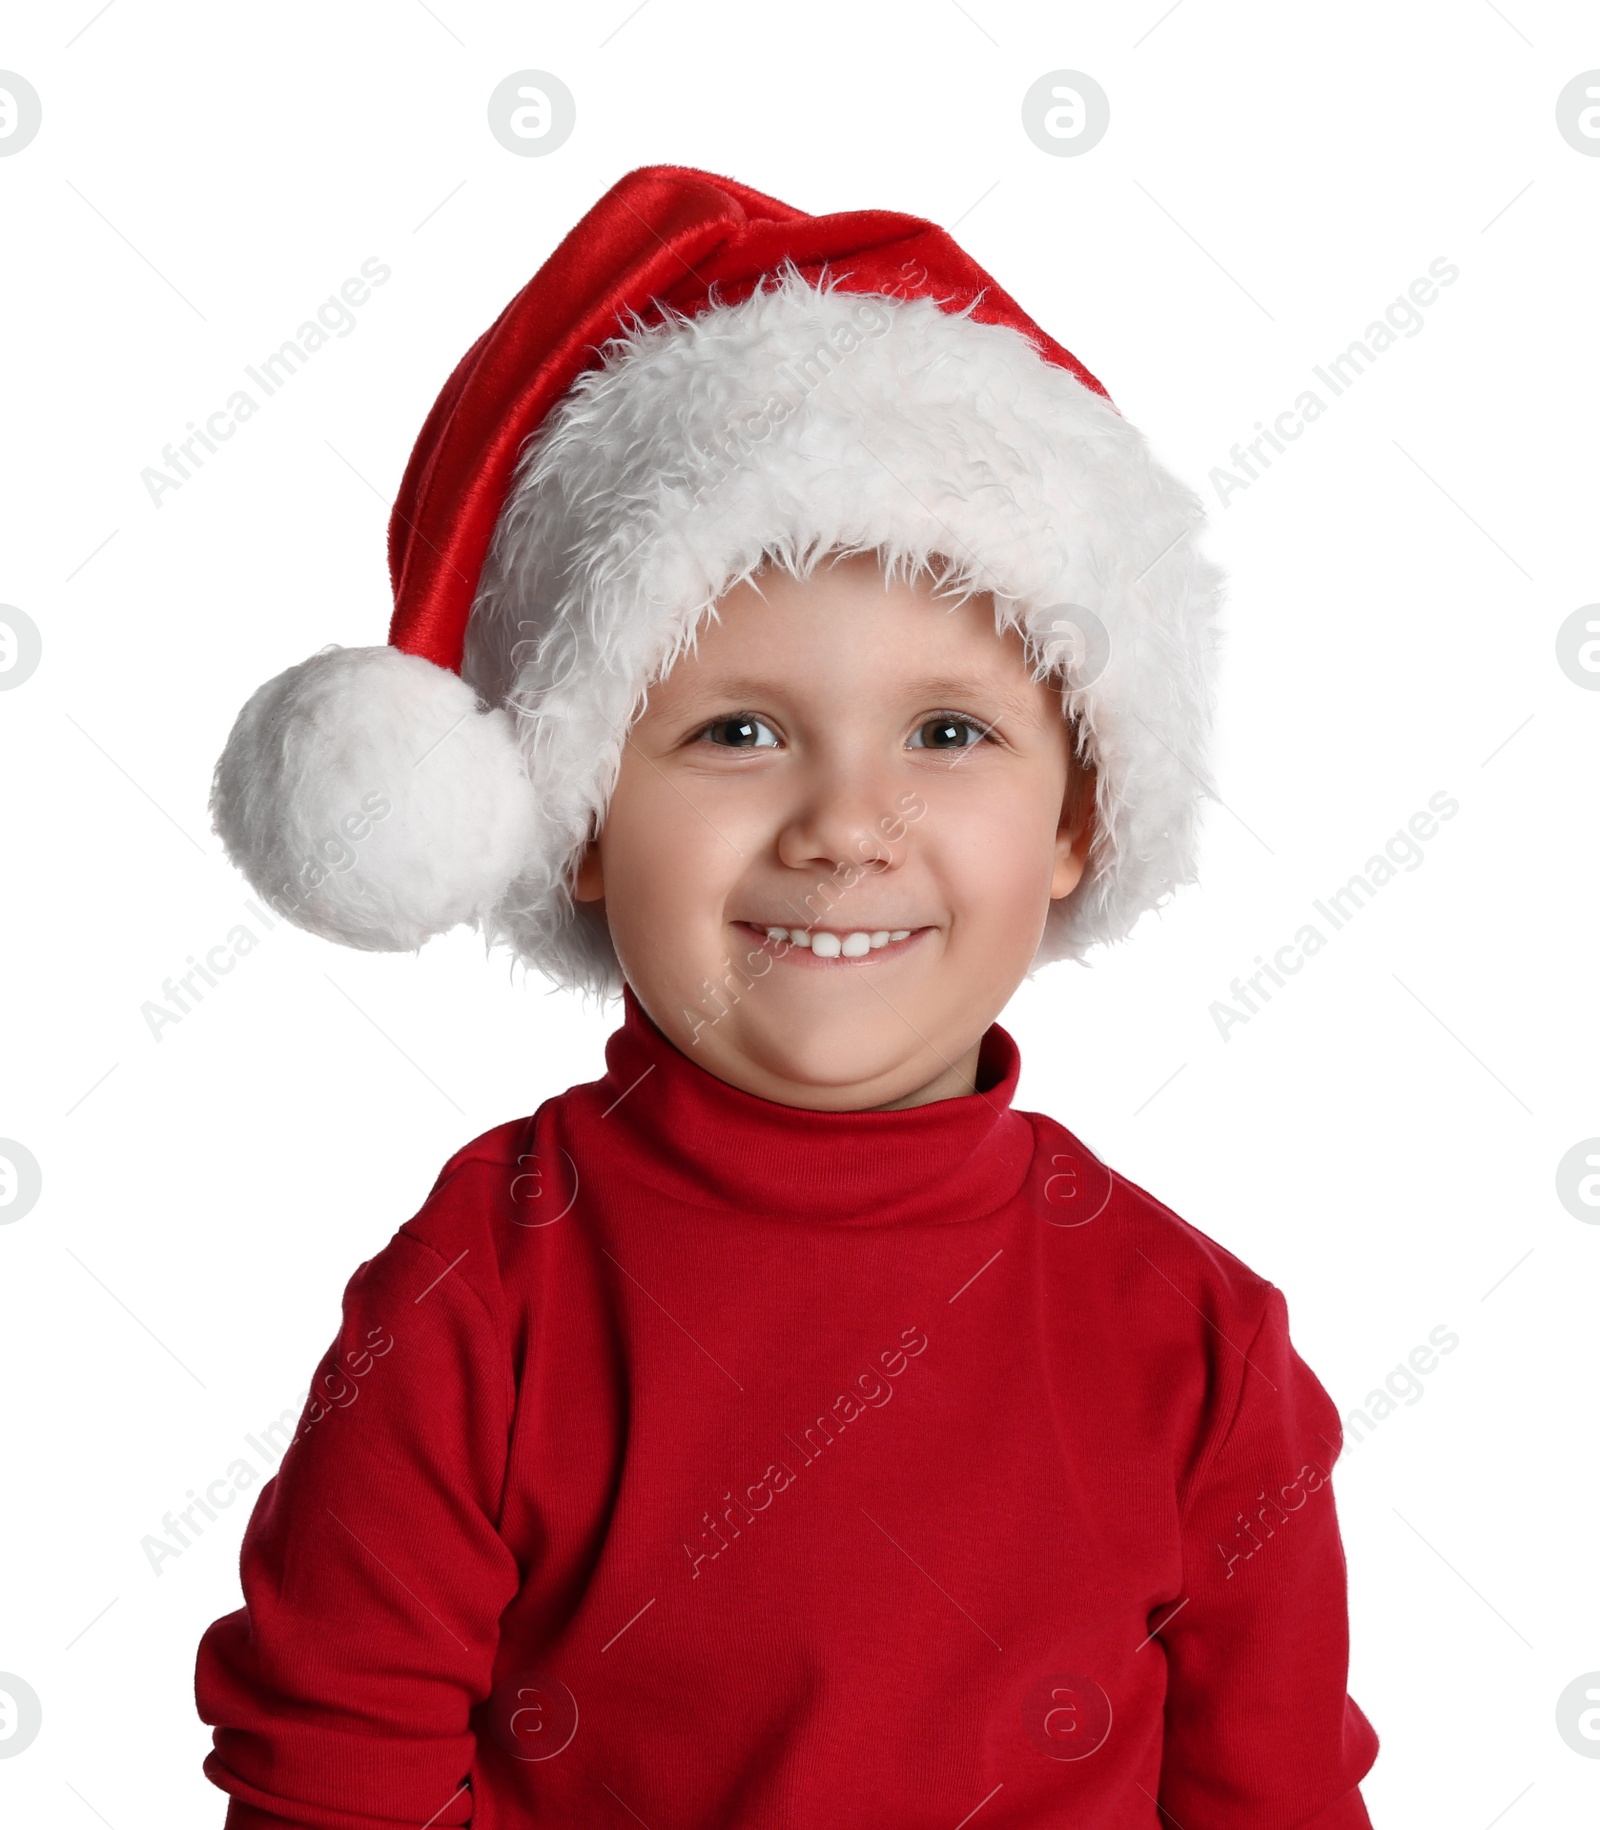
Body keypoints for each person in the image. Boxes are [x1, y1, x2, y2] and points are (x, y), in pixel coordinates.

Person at [197, 164, 1378, 1828]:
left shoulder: (1196, 1346)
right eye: (736, 732)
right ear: (582, 819)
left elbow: (1275, 1800)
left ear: (1079, 818)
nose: (841, 826)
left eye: (949, 733)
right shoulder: (484, 1293)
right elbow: (336, 1774)